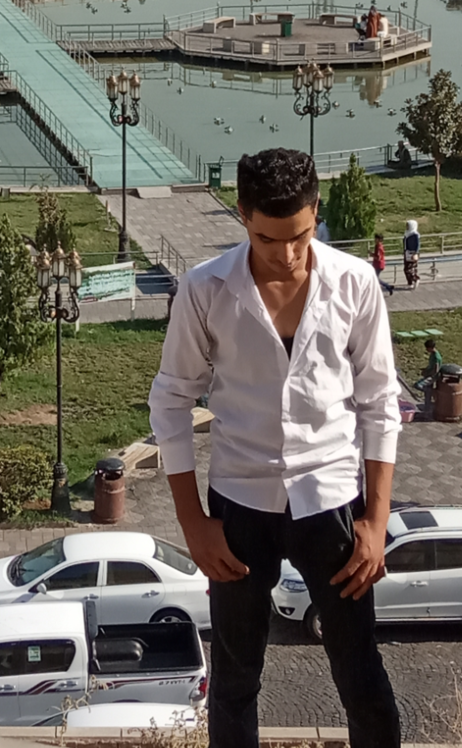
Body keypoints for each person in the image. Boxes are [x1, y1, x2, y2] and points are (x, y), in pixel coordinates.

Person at [149, 147, 402, 748]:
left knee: (360, 672)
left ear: (316, 213)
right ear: (242, 215)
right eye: (267, 238)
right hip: (240, 503)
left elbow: (379, 401)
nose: (286, 255)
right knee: (234, 680)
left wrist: (377, 518)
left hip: (331, 500)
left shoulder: (355, 282)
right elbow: (171, 401)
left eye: (300, 236)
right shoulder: (205, 289)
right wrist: (193, 523)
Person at [414, 338, 443, 412]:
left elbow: (436, 370)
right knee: (427, 397)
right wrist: (425, 370)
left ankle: (431, 391)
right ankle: (427, 410)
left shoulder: (436, 357)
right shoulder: (432, 354)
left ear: (430, 348)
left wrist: (428, 374)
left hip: (432, 376)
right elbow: (431, 366)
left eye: (427, 348)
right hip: (429, 374)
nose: (426, 350)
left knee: (418, 385)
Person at [403, 219, 420, 288]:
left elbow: (417, 245)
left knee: (410, 269)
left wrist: (416, 253)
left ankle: (415, 279)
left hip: (412, 253)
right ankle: (410, 282)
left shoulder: (415, 235)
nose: (406, 227)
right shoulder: (406, 233)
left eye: (408, 225)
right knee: (406, 269)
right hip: (406, 253)